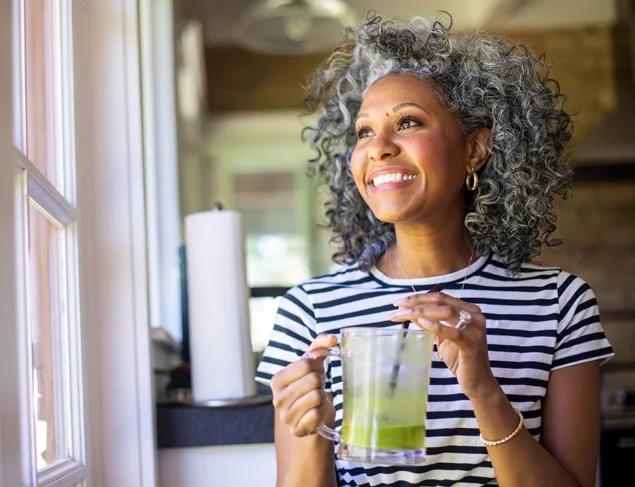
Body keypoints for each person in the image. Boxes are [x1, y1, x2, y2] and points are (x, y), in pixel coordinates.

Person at [255, 13, 614, 487]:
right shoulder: (309, 310)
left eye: (407, 122)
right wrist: (313, 431)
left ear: (474, 150)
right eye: (364, 132)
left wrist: (483, 387)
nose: (378, 147)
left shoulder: (559, 305)